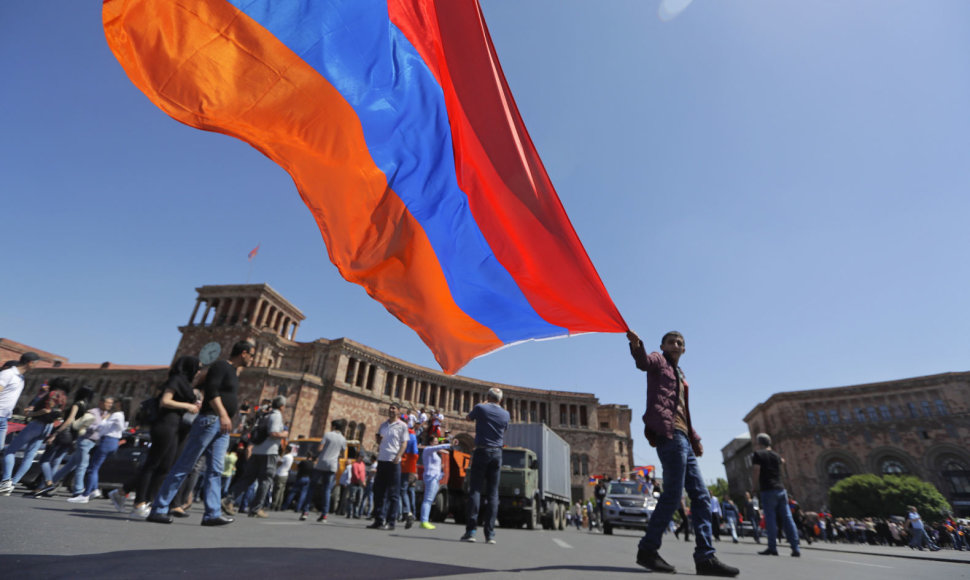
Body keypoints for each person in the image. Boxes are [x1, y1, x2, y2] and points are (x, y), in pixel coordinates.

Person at [627, 330, 738, 577]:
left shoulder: (680, 374)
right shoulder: (658, 360)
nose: (675, 345)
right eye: (671, 342)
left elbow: (683, 412)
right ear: (663, 346)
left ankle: (705, 558)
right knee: (674, 494)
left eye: (679, 343)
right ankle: (647, 549)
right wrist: (637, 346)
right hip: (670, 435)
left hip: (683, 437)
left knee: (701, 497)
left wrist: (695, 439)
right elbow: (644, 362)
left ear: (684, 349)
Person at [148, 340, 253, 526]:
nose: (253, 359)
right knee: (185, 464)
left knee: (215, 470)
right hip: (211, 420)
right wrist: (223, 414)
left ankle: (212, 513)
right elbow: (212, 391)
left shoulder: (235, 373)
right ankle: (159, 508)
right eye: (252, 354)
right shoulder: (220, 366)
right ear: (243, 353)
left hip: (223, 426)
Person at [110, 357, 201, 517]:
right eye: (197, 367)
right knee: (153, 464)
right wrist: (187, 406)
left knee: (165, 467)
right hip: (165, 424)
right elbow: (165, 401)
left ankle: (139, 498)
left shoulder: (186, 384)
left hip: (175, 426)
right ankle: (139, 503)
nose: (199, 371)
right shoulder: (176, 379)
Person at [460, 387, 510, 544]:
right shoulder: (506, 414)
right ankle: (490, 534)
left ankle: (471, 531)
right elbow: (505, 429)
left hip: (481, 451)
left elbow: (468, 418)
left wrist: (482, 404)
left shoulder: (481, 407)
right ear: (501, 400)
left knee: (475, 490)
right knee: (493, 494)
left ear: (488, 397)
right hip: (497, 453)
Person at [226, 395, 288, 518]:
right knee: (266, 480)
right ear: (282, 406)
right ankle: (256, 508)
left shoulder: (266, 415)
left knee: (248, 478)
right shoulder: (277, 415)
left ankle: (228, 500)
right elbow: (273, 432)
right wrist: (284, 434)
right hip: (269, 452)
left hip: (257, 450)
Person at [1, 378, 68, 493]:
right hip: (48, 426)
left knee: (10, 451)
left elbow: (46, 410)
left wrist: (31, 414)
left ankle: (6, 480)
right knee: (29, 455)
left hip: (37, 424)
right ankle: (13, 483)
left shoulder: (52, 393)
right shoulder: (64, 397)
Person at [33, 385, 94, 496]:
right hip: (72, 437)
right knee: (56, 461)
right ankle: (41, 488)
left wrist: (55, 433)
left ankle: (48, 483)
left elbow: (69, 420)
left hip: (63, 434)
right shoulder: (87, 407)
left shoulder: (77, 404)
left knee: (44, 460)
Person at [751, 432, 800, 557]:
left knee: (770, 518)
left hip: (768, 489)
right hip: (781, 489)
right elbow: (782, 462)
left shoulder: (758, 454)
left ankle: (772, 547)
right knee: (787, 518)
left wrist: (754, 486)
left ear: (759, 443)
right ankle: (795, 547)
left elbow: (756, 470)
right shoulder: (776, 455)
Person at [70, 397, 126, 503]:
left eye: (114, 403)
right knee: (94, 467)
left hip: (108, 441)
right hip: (111, 441)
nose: (112, 405)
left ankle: (86, 494)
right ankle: (94, 490)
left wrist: (104, 420)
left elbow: (103, 426)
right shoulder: (120, 415)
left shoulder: (116, 415)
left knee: (92, 468)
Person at [367, 404, 408, 531]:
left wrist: (398, 456)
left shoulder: (402, 425)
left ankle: (391, 522)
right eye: (390, 408)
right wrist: (378, 440)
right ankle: (379, 520)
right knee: (379, 492)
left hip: (394, 461)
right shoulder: (383, 425)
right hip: (382, 460)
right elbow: (379, 441)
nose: (391, 410)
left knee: (393, 493)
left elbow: (404, 443)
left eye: (394, 408)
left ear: (398, 411)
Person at [0, 352, 41, 459]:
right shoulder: (8, 374)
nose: (36, 366)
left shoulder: (21, 378)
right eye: (36, 363)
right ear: (30, 363)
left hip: (4, 417)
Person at [309, 419, 347, 523]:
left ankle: (305, 512)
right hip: (332, 465)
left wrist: (325, 450)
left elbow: (320, 449)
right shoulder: (343, 439)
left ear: (334, 426)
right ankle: (324, 514)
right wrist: (335, 454)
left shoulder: (327, 435)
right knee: (327, 490)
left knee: (312, 487)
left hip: (321, 463)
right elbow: (343, 455)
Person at [417, 439, 454, 530]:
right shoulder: (428, 449)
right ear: (430, 442)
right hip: (431, 477)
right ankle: (424, 521)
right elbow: (438, 447)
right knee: (428, 500)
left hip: (435, 477)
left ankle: (425, 520)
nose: (437, 443)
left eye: (437, 442)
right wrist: (449, 444)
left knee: (429, 500)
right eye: (435, 441)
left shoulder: (434, 453)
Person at [272, 444, 296, 511]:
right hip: (285, 474)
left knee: (277, 491)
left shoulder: (285, 456)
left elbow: (278, 464)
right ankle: (279, 505)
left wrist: (281, 455)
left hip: (280, 474)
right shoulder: (291, 457)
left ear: (287, 450)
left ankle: (274, 505)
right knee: (281, 491)